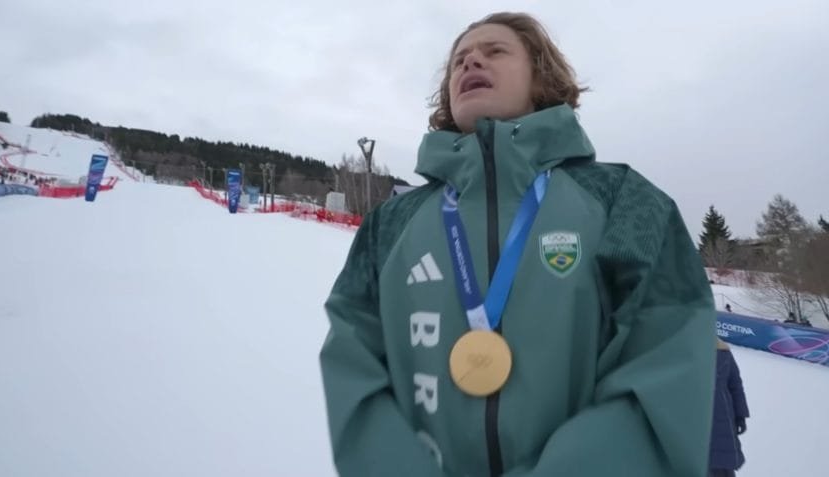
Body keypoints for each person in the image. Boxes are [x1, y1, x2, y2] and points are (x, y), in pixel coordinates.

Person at [319, 11, 717, 477]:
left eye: (494, 51)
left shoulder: (625, 202)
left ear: (540, 75)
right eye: (459, 61)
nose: (470, 64)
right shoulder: (391, 222)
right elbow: (353, 361)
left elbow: (665, 361)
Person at [709, 339, 750, 476]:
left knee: (722, 464)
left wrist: (740, 415)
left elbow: (735, 384)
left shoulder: (723, 350)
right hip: (695, 418)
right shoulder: (684, 351)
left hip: (722, 418)